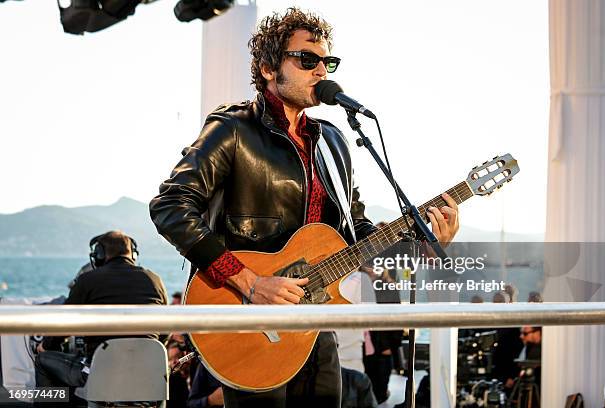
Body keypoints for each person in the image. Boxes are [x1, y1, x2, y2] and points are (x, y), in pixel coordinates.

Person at [149, 7, 459, 407]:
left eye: (326, 62)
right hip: (248, 320)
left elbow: (356, 233)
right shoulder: (233, 128)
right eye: (307, 60)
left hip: (316, 328)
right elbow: (170, 205)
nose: (321, 71)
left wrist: (422, 242)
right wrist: (250, 282)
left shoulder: (333, 142)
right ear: (267, 68)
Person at [35, 231, 169, 392]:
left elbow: (64, 324)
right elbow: (165, 330)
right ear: (133, 254)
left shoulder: (87, 280)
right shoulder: (155, 280)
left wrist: (47, 345)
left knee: (43, 360)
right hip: (147, 373)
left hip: (101, 373)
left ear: (99, 254)